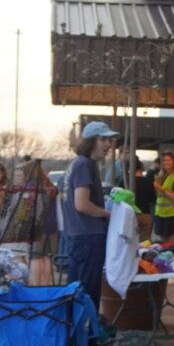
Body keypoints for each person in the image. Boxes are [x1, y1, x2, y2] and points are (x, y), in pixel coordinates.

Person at [63, 121, 119, 309]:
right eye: (103, 139)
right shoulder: (84, 164)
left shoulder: (79, 164)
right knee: (87, 292)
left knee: (78, 290)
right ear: (90, 141)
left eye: (109, 140)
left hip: (81, 237)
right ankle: (86, 335)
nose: (108, 144)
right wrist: (108, 213)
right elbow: (82, 204)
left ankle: (82, 334)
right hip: (87, 237)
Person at [152, 151, 174, 244]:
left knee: (173, 245)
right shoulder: (163, 175)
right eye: (164, 160)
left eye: (169, 160)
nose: (166, 162)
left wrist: (160, 188)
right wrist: (157, 188)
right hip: (162, 214)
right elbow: (160, 196)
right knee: (165, 245)